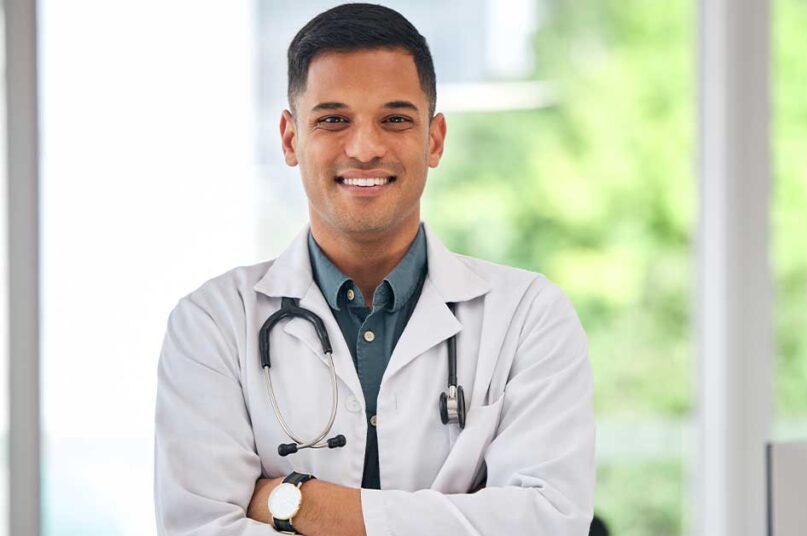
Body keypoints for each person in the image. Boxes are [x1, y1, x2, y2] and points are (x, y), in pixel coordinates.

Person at [153, 3, 595, 535]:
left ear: (434, 140)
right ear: (291, 139)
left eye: (395, 119)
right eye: (333, 119)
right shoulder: (213, 323)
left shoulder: (529, 316)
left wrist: (298, 505)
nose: (364, 148)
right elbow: (200, 528)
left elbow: (547, 522)